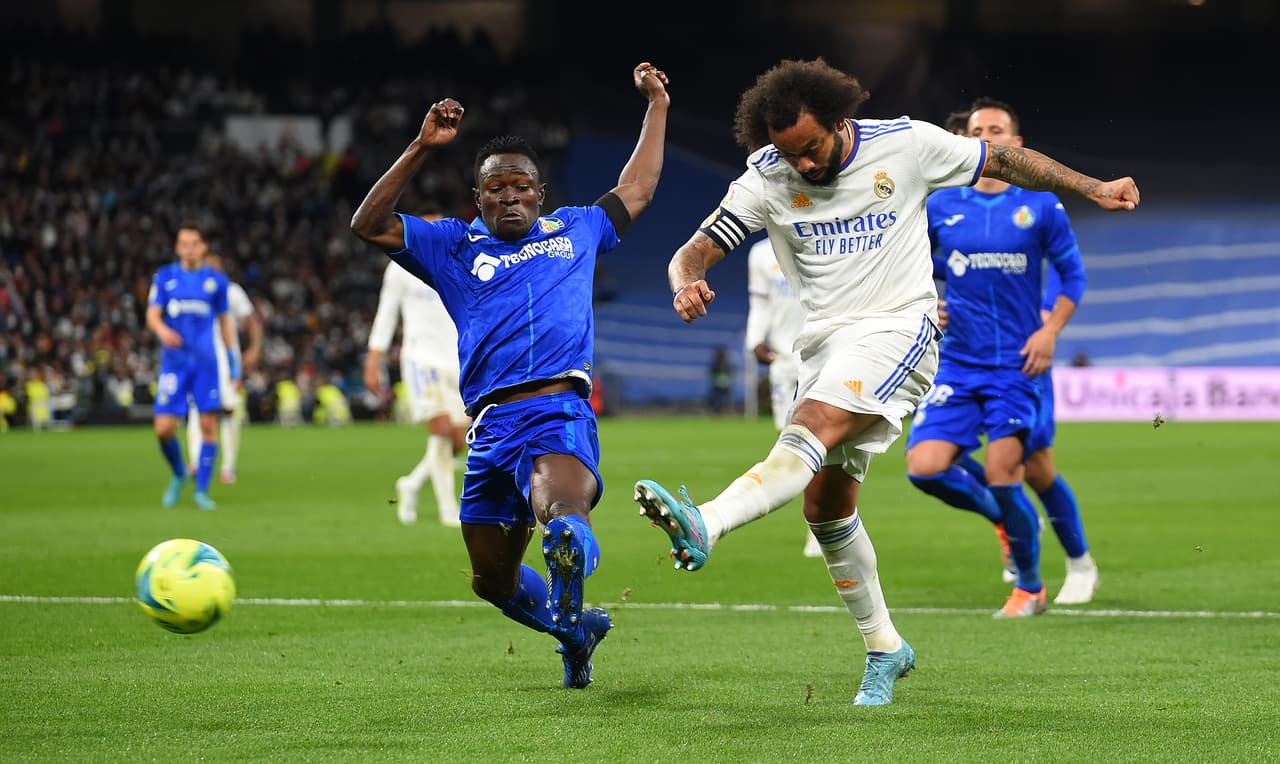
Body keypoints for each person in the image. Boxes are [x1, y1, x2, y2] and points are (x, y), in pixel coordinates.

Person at [632, 58, 1137, 706]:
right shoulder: (768, 174)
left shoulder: (903, 144)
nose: (804, 167)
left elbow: (1003, 163)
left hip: (902, 328)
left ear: (840, 122)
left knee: (809, 426)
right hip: (824, 343)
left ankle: (706, 521)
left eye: (811, 149)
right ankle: (886, 648)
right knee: (826, 509)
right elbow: (696, 248)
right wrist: (685, 280)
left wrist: (1091, 186)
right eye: (790, 155)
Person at [350, 61, 670, 689]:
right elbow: (369, 224)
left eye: (522, 184)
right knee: (490, 581)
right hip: (490, 426)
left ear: (540, 193)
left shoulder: (577, 229)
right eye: (496, 187)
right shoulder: (452, 247)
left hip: (557, 410)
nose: (510, 195)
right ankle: (576, 631)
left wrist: (656, 106)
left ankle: (571, 554)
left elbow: (638, 189)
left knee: (562, 516)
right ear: (479, 198)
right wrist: (420, 147)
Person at [911, 97, 1099, 606]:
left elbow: (1072, 275)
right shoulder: (941, 204)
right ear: (966, 141)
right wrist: (930, 302)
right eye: (978, 130)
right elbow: (912, 270)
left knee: (1033, 470)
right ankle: (1008, 518)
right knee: (926, 467)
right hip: (959, 361)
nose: (988, 135)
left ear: (1016, 144)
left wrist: (1051, 330)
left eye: (998, 129)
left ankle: (1072, 567)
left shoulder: (1039, 204)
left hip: (1020, 363)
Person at [364, 204, 470, 527]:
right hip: (420, 359)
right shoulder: (400, 266)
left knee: (460, 438)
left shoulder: (456, 261)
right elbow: (386, 314)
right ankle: (448, 510)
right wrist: (374, 360)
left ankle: (410, 484)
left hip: (456, 359)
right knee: (439, 428)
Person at [147, 221, 240, 510]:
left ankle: (201, 491)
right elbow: (153, 315)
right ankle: (178, 472)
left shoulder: (216, 282)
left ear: (203, 247)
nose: (188, 249)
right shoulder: (165, 278)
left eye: (193, 243)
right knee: (163, 428)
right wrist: (162, 332)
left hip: (206, 364)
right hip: (174, 364)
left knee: (207, 424)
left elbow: (225, 321)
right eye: (183, 244)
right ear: (177, 247)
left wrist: (233, 360)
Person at [744, 238, 821, 557]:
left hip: (821, 354)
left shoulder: (821, 238)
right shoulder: (760, 253)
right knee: (791, 445)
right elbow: (761, 304)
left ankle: (820, 526)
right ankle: (822, 521)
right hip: (783, 363)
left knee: (819, 442)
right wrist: (754, 341)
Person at [186, 250, 262, 485]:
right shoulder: (192, 291)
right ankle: (197, 463)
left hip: (228, 363)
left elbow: (252, 321)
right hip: (199, 360)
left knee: (229, 412)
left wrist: (254, 349)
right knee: (197, 410)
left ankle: (228, 467)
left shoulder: (232, 291)